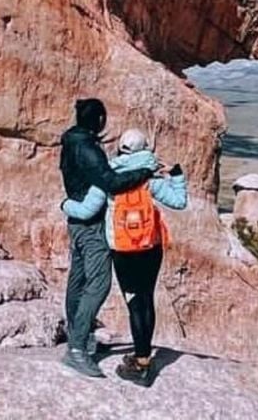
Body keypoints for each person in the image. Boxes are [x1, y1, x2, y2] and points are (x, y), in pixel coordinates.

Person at [61, 128, 188, 387]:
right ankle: (143, 358)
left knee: (134, 304)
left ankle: (140, 366)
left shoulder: (108, 178)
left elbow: (86, 212)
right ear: (145, 150)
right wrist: (176, 174)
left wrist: (65, 205)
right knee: (147, 299)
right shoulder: (150, 179)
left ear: (121, 150)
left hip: (123, 249)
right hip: (150, 247)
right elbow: (179, 201)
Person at [59, 99, 150, 378]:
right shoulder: (87, 147)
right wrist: (144, 172)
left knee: (79, 279)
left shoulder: (71, 141)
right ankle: (77, 349)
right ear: (99, 120)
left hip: (77, 221)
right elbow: (110, 182)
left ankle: (79, 337)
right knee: (98, 284)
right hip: (91, 224)